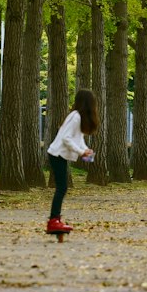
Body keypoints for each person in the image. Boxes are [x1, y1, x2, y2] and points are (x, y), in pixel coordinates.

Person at [45, 89, 98, 234]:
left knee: (62, 187)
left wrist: (86, 150)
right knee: (62, 187)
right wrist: (81, 152)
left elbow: (78, 139)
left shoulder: (77, 116)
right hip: (57, 154)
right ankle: (53, 221)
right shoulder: (75, 117)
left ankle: (55, 219)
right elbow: (66, 138)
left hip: (59, 155)